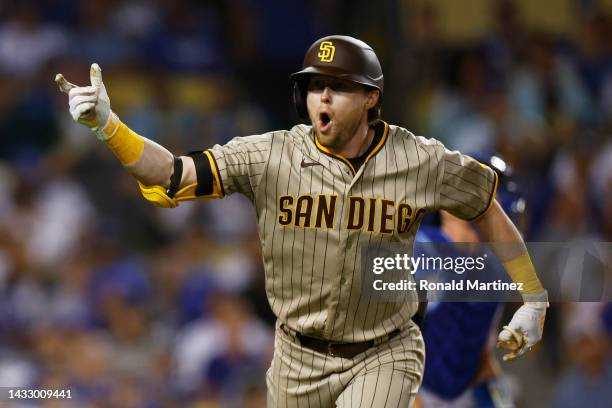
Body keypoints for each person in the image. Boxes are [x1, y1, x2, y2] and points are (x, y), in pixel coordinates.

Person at [55, 35, 548, 407]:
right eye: (315, 86)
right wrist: (110, 128)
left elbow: (486, 206)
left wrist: (534, 297)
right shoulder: (269, 155)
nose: (324, 98)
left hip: (385, 351)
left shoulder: (419, 161)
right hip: (296, 355)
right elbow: (172, 173)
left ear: (372, 97)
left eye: (339, 87)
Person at [415, 155, 525, 408]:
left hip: (459, 393)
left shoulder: (495, 268)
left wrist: (498, 397)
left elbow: (479, 350)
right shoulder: (423, 252)